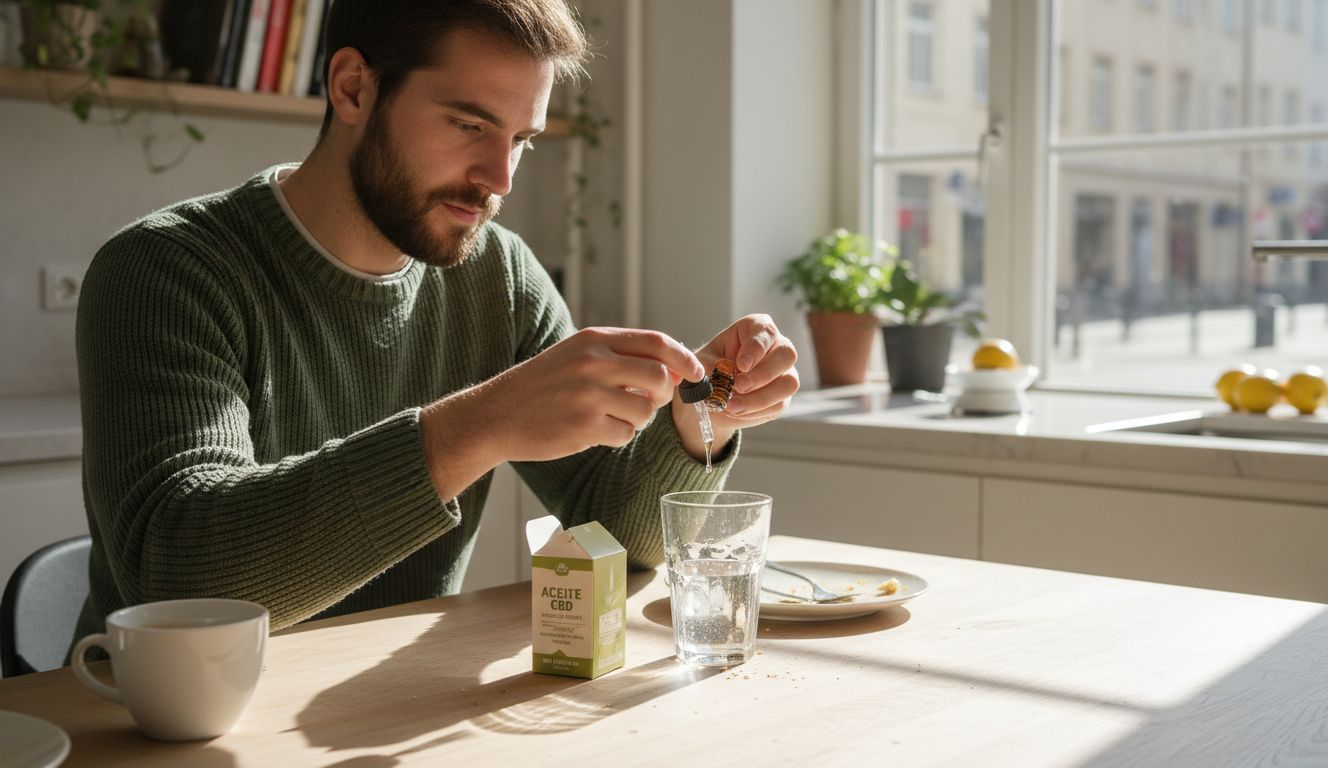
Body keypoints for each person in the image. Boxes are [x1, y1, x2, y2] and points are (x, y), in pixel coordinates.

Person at [69, 0, 798, 646]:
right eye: (469, 124)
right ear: (353, 88)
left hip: (385, 708)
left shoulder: (500, 277)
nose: (499, 178)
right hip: (162, 722)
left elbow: (619, 533)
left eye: (521, 139)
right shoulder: (165, 268)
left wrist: (697, 419)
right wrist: (480, 424)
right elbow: (180, 582)